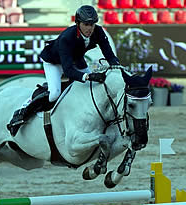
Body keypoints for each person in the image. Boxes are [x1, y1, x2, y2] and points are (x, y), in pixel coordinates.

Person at [7, 5, 120, 136]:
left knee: (91, 87)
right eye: (86, 24)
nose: (90, 28)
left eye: (92, 24)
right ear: (78, 23)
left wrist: (117, 67)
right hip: (54, 62)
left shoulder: (98, 32)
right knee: (55, 93)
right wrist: (88, 77)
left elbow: (110, 55)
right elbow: (68, 71)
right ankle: (23, 110)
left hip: (76, 59)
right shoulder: (67, 37)